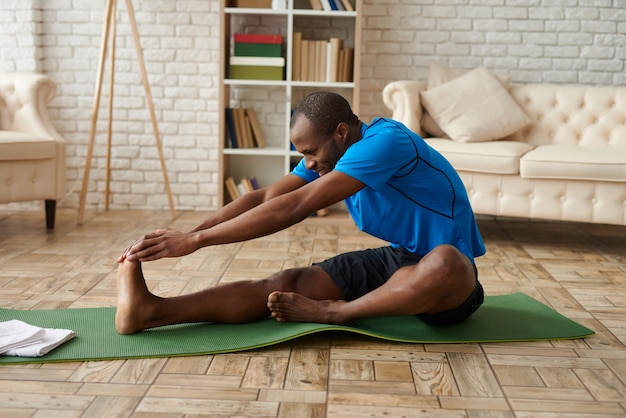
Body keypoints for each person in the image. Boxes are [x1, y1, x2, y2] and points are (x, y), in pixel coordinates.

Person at [115, 91, 486, 335]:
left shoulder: (385, 143)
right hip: (400, 259)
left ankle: (335, 313)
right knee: (284, 283)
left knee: (443, 262)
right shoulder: (335, 153)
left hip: (453, 279)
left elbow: (295, 206)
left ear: (342, 132)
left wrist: (196, 242)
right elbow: (267, 198)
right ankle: (150, 312)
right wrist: (189, 232)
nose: (307, 163)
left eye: (310, 152)